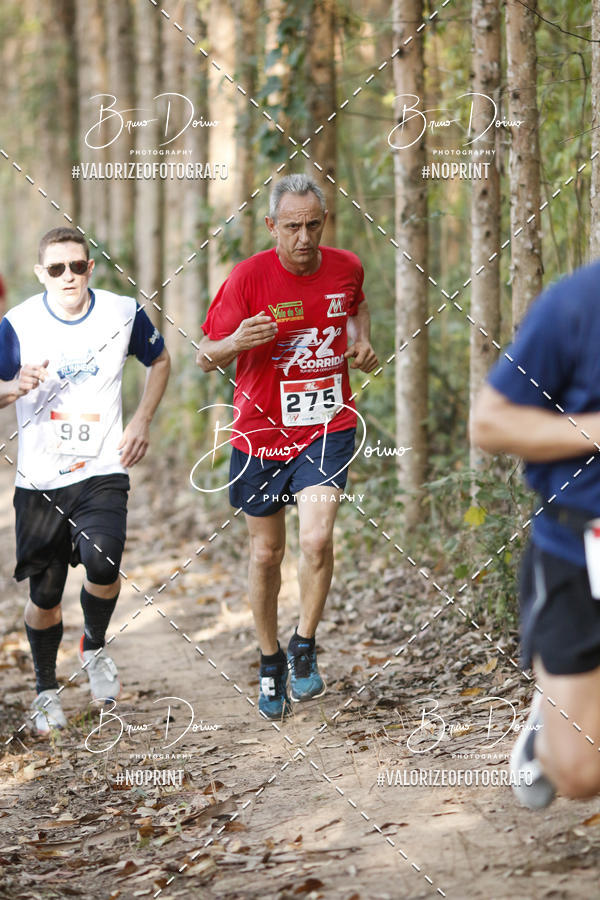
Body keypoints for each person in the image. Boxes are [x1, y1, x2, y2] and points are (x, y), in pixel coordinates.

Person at [196, 174, 377, 719]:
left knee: (317, 540)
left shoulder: (345, 266)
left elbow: (357, 305)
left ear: (325, 223)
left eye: (313, 225)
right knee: (266, 553)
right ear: (272, 225)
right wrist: (237, 342)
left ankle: (304, 646)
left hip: (327, 425)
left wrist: (361, 339)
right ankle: (270, 658)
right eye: (293, 226)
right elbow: (204, 354)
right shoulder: (248, 278)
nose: (304, 237)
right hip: (260, 434)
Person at [0, 227, 170, 735]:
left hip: (101, 469)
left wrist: (140, 421)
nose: (68, 277)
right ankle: (46, 689)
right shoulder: (17, 323)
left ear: (90, 267)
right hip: (40, 482)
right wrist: (12, 388)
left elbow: (159, 360)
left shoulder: (121, 311)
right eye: (57, 269)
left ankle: (94, 645)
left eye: (77, 266)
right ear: (41, 274)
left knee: (104, 558)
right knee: (45, 597)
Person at [471, 259, 600, 808]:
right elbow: (490, 422)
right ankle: (545, 730)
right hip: (578, 547)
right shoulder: (576, 304)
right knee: (579, 776)